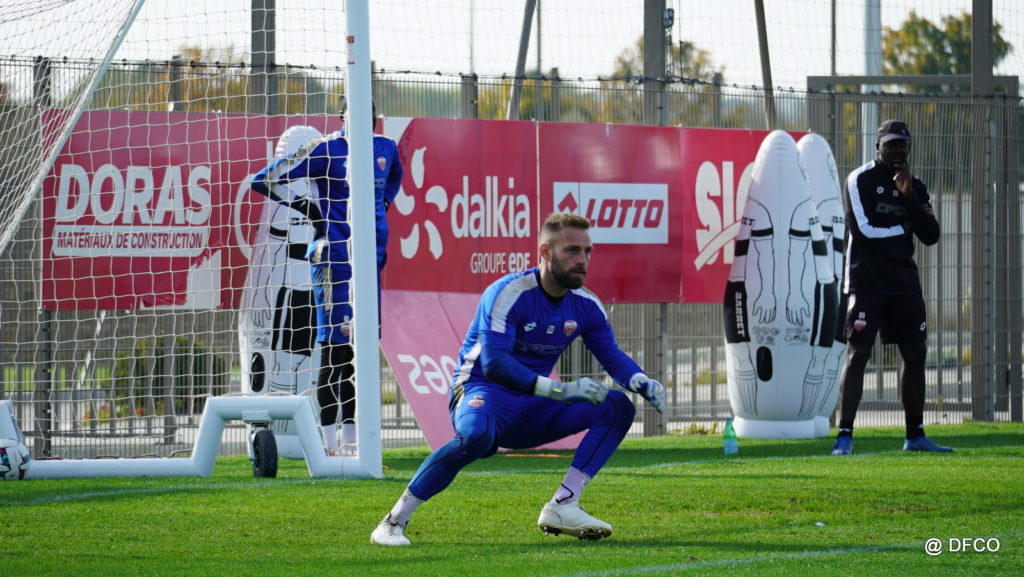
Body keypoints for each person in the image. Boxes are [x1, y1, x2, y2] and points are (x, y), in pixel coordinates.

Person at [370, 212, 666, 546]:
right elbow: (495, 364)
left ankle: (564, 504)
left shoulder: (586, 305)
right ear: (545, 252)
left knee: (617, 406)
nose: (582, 260)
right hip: (483, 390)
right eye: (572, 250)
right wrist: (561, 390)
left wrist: (640, 379)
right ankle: (392, 522)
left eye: (587, 251)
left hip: (533, 406)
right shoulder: (508, 292)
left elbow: (611, 355)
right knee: (475, 437)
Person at [251, 102, 403, 455]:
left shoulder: (386, 148)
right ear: (342, 118)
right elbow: (264, 180)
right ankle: (329, 444)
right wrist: (307, 207)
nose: (365, 121)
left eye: (370, 115)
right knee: (334, 351)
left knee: (359, 353)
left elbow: (394, 180)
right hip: (333, 262)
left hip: (370, 262)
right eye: (356, 115)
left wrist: (383, 205)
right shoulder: (325, 149)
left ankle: (354, 444)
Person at [831, 119, 950, 455]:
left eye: (902, 145)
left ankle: (915, 435)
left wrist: (909, 199)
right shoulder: (860, 180)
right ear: (878, 147)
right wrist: (902, 229)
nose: (897, 151)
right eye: (891, 145)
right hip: (866, 281)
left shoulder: (916, 186)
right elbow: (863, 231)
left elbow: (931, 234)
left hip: (903, 282)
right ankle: (844, 436)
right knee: (859, 353)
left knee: (915, 352)